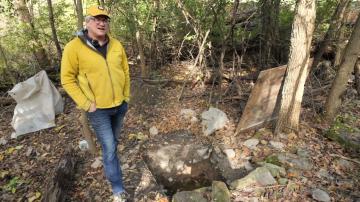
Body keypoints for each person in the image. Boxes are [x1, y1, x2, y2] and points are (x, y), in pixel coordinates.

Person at [60, 5, 130, 202]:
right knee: (109, 147)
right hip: (98, 109)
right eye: (96, 19)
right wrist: (86, 103)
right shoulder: (74, 47)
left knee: (113, 145)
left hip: (120, 105)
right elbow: (67, 79)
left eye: (105, 19)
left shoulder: (116, 44)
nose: (101, 22)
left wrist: (126, 96)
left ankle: (110, 163)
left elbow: (125, 70)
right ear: (87, 22)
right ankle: (118, 189)